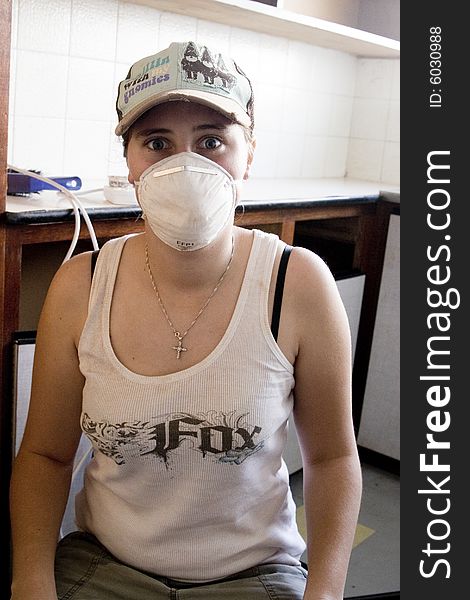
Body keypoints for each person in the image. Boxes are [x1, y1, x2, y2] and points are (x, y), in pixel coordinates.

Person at [9, 41, 362, 600]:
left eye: (212, 141)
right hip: (106, 564)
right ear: (128, 160)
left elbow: (333, 457)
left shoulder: (298, 284)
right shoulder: (81, 286)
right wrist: (30, 582)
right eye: (157, 143)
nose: (186, 165)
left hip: (254, 574)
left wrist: (326, 590)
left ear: (249, 154)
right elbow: (45, 456)